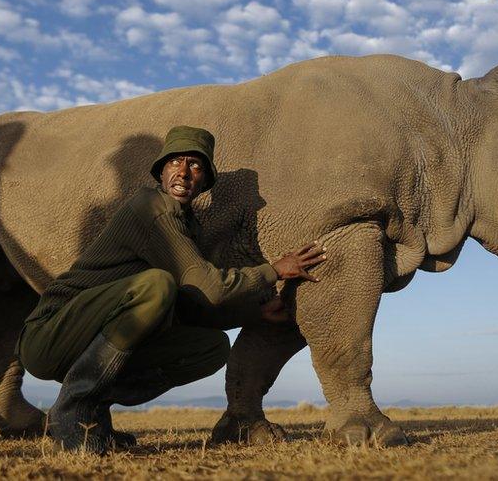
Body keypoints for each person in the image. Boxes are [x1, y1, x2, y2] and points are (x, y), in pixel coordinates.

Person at [17, 125, 325, 453]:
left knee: (211, 348)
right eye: (175, 162)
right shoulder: (150, 206)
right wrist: (273, 270)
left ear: (204, 180)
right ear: (161, 172)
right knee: (157, 286)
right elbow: (209, 285)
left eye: (195, 165)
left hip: (85, 344)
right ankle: (71, 408)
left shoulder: (187, 225)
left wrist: (255, 312)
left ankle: (92, 412)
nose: (184, 171)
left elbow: (195, 304)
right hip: (49, 334)